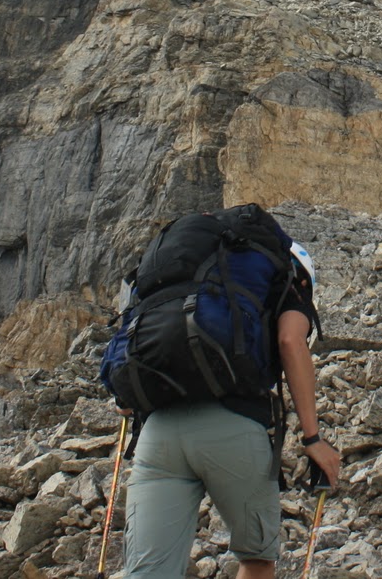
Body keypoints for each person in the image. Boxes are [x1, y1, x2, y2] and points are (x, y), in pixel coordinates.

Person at [118, 239, 342, 579]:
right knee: (256, 558)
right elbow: (290, 341)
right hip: (232, 427)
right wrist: (312, 438)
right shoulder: (285, 285)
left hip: (158, 432)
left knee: (148, 571)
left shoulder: (175, 287)